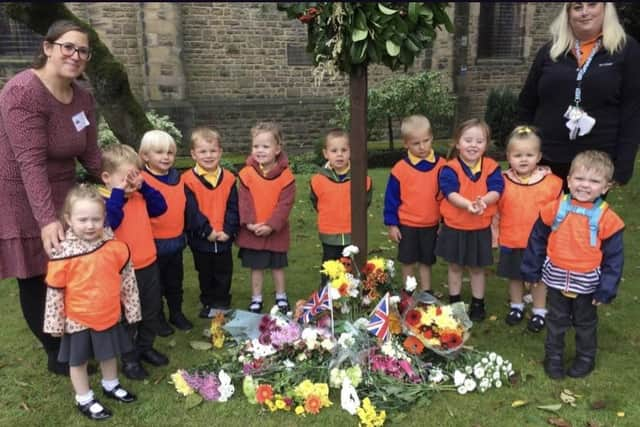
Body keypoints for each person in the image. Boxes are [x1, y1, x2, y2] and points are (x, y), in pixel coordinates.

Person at [0, 20, 102, 375]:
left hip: (65, 190)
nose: (75, 56)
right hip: (20, 191)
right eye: (67, 47)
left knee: (69, 268)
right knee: (37, 272)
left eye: (83, 50)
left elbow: (90, 155)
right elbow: (29, 161)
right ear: (48, 47)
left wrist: (120, 179)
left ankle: (73, 336)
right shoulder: (22, 91)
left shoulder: (83, 97)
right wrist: (45, 219)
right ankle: (56, 353)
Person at [521, 150, 624, 379]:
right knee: (556, 320)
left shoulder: (607, 219)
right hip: (556, 278)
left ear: (606, 187)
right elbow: (537, 239)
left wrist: (606, 288)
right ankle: (554, 356)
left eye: (594, 181)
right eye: (579, 178)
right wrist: (531, 268)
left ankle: (586, 358)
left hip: (587, 284)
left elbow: (614, 259)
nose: (585, 185)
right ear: (568, 180)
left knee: (585, 323)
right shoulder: (555, 208)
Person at [43, 185, 140, 420]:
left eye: (96, 219)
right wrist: (54, 324)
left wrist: (132, 309)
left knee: (109, 353)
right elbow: (55, 291)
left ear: (104, 218)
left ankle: (111, 384)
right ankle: (84, 398)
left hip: (107, 313)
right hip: (78, 319)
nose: (90, 225)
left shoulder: (114, 247)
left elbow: (127, 279)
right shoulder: (63, 253)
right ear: (68, 219)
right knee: (78, 361)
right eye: (83, 219)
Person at [518, 2, 640, 185]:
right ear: (567, 14)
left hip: (594, 166)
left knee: (581, 214)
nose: (584, 12)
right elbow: (527, 103)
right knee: (541, 213)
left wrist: (623, 166)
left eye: (592, 5)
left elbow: (632, 111)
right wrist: (521, 149)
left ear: (606, 9)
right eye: (577, 7)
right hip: (545, 160)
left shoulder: (626, 49)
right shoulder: (550, 51)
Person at [99, 143, 168, 380]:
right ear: (107, 178)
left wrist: (144, 186)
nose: (131, 182)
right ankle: (129, 359)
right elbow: (111, 221)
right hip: (121, 272)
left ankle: (145, 347)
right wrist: (119, 192)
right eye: (125, 177)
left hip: (147, 264)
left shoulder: (140, 195)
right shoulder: (104, 202)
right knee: (129, 317)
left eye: (135, 175)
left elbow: (161, 207)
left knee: (151, 310)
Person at [435, 119, 504, 321]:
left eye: (479, 141)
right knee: (455, 266)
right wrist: (467, 205)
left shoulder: (491, 167)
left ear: (486, 144)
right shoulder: (450, 168)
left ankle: (478, 303)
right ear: (458, 143)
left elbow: (497, 189)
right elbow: (450, 193)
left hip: (479, 227)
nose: (473, 145)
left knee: (477, 268)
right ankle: (455, 301)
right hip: (455, 226)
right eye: (468, 140)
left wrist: (484, 201)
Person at [496, 126, 563, 332]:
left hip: (540, 243)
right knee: (514, 276)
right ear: (508, 156)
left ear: (539, 156)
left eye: (529, 154)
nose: (523, 159)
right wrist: (494, 234)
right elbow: (495, 211)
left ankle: (539, 310)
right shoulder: (500, 182)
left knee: (538, 279)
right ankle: (516, 306)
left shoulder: (552, 183)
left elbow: (560, 215)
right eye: (517, 155)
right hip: (511, 238)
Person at [139, 130, 196, 335]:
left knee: (175, 281)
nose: (166, 157)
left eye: (170, 153)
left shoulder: (177, 178)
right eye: (159, 152)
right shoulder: (141, 181)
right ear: (145, 155)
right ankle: (158, 317)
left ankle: (176, 312)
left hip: (176, 241)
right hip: (153, 245)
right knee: (157, 285)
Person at [237, 122, 295, 313]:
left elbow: (284, 205)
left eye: (265, 146)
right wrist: (251, 224)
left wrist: (271, 225)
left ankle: (281, 295)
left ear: (277, 149)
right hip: (253, 230)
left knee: (278, 266)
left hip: (275, 231)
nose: (260, 150)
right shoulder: (246, 174)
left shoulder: (286, 176)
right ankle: (256, 298)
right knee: (257, 267)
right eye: (256, 146)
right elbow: (244, 201)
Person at [182, 127, 239, 318]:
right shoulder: (187, 180)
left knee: (224, 272)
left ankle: (222, 302)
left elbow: (233, 208)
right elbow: (191, 211)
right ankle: (207, 302)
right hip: (201, 238)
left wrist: (228, 230)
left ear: (220, 152)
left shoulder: (230, 179)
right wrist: (206, 231)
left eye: (213, 151)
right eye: (203, 151)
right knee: (205, 273)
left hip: (223, 237)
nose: (208, 155)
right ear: (193, 154)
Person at [383, 115, 445, 291]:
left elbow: (447, 198)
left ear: (432, 137)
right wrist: (392, 225)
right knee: (408, 260)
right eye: (416, 143)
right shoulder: (400, 169)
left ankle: (426, 293)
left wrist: (444, 222)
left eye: (426, 141)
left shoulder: (443, 166)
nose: (423, 147)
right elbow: (391, 199)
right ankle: (408, 293)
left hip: (431, 224)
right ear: (406, 144)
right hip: (407, 225)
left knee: (426, 260)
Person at [310, 129, 372, 287]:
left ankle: (352, 301)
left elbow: (365, 201)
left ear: (351, 151)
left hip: (353, 233)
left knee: (352, 270)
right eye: (334, 151)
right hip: (329, 233)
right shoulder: (318, 179)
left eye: (344, 150)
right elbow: (316, 201)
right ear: (326, 153)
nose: (339, 154)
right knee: (330, 268)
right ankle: (326, 300)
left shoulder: (361, 178)